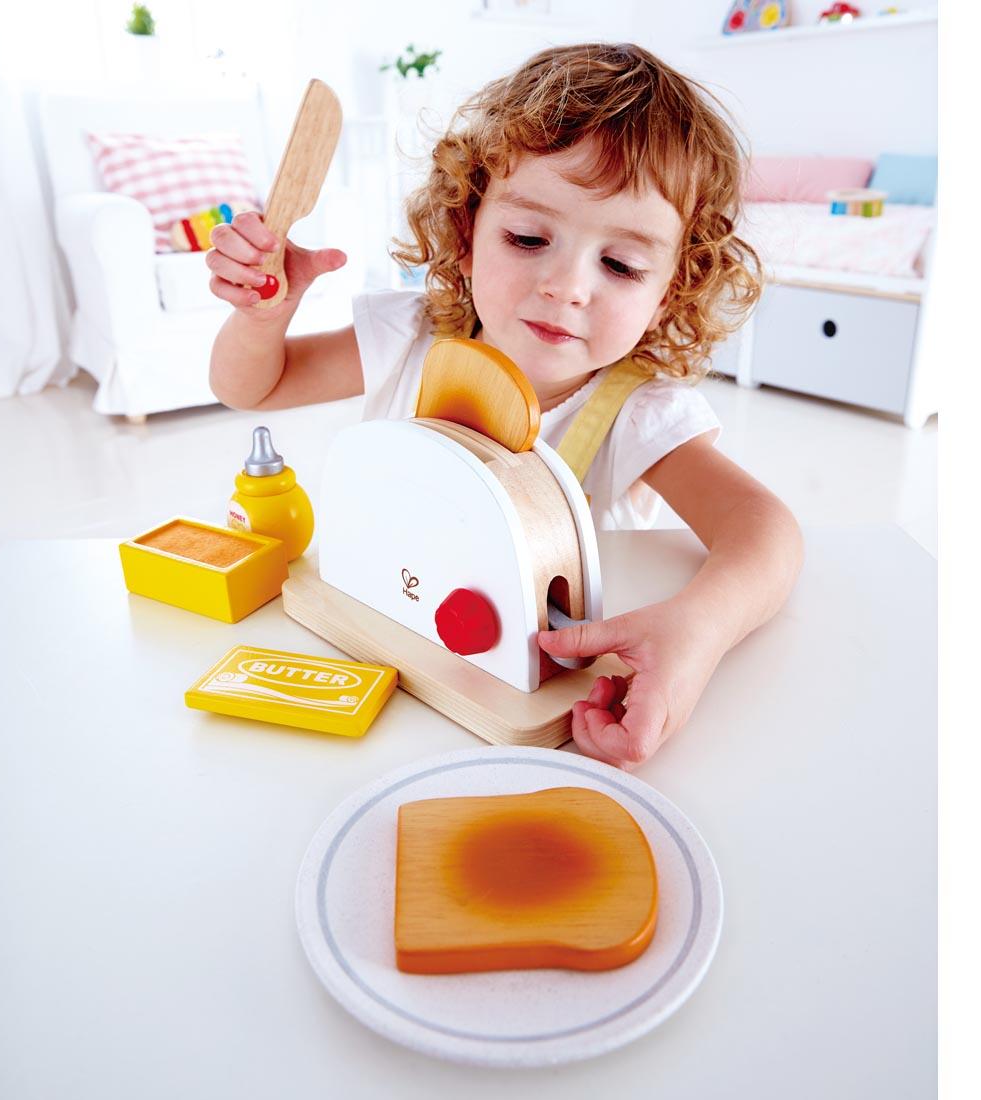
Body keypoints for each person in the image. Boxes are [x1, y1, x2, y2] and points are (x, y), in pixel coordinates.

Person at [208, 42, 803, 770]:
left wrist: (696, 631)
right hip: (378, 654)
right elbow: (252, 387)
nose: (567, 285)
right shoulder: (408, 334)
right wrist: (263, 321)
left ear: (666, 296)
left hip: (520, 716)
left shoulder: (636, 411)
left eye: (620, 264)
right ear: (465, 235)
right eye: (528, 238)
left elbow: (765, 533)